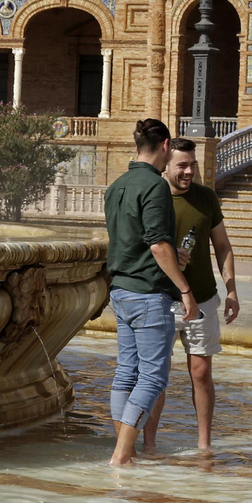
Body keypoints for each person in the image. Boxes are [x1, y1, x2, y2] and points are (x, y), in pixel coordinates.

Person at [102, 118, 201, 467]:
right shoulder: (155, 186)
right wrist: (185, 289)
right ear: (165, 146)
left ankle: (124, 452)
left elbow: (133, 240)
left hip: (121, 290)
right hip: (148, 292)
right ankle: (120, 455)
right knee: (153, 376)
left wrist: (172, 251)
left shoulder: (117, 185)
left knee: (126, 372)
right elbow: (157, 245)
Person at [141, 139, 240, 453]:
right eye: (182, 165)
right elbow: (138, 247)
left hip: (203, 298)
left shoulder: (206, 197)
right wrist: (167, 257)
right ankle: (149, 444)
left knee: (201, 371)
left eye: (193, 165)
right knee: (157, 375)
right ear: (166, 165)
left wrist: (232, 291)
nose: (188, 171)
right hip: (161, 299)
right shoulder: (153, 197)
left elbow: (222, 246)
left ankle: (204, 444)